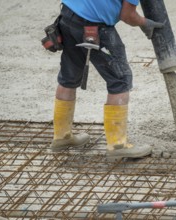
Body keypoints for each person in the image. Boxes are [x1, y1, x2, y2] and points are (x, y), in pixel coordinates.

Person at [50, 0, 163, 160]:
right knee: (120, 80)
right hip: (93, 25)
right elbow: (127, 15)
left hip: (68, 16)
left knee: (69, 77)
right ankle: (117, 145)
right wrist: (144, 22)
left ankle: (62, 137)